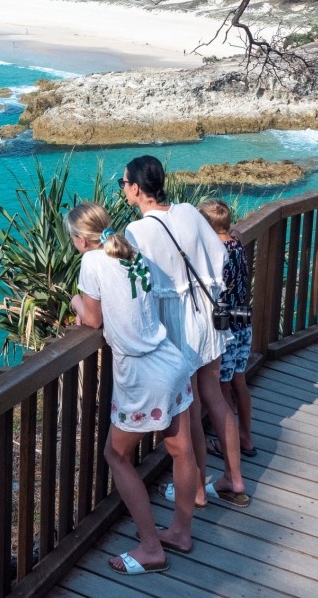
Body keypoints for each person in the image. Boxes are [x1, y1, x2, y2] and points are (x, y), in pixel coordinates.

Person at [66, 201, 198, 575]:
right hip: (170, 360)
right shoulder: (131, 252)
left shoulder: (92, 261)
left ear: (79, 239)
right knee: (181, 449)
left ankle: (150, 547)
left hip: (141, 374)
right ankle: (180, 533)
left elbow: (92, 320)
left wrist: (74, 300)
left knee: (116, 456)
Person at [122, 156, 249, 509]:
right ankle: (234, 479)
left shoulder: (137, 231)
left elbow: (137, 287)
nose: (123, 190)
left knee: (189, 408)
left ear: (136, 188)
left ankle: (194, 489)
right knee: (216, 398)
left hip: (177, 326)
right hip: (208, 317)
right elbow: (220, 256)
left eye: (123, 184)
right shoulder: (190, 212)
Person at [197, 199, 256, 458]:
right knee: (239, 384)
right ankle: (247, 437)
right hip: (242, 321)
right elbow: (236, 233)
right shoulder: (237, 244)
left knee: (222, 388)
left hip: (225, 328)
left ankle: (227, 442)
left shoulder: (214, 253)